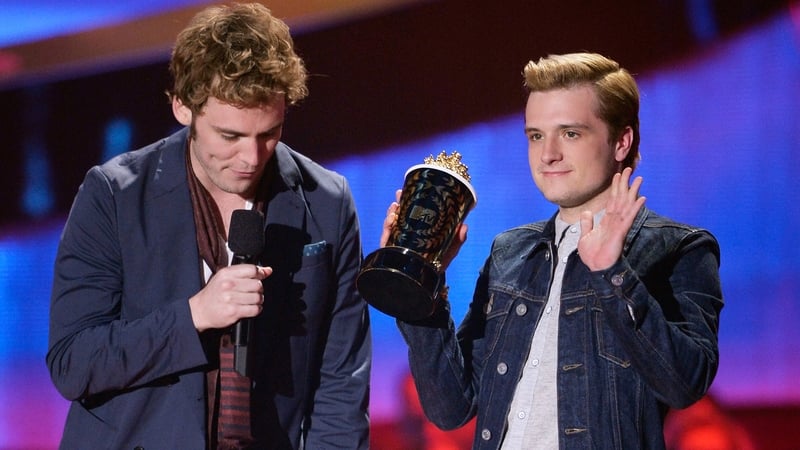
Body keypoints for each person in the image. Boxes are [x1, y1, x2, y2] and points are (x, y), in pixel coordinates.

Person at [46, 3, 370, 449]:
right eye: (231, 136)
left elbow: (342, 383)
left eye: (269, 133)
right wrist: (194, 315)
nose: (251, 158)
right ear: (183, 106)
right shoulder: (115, 197)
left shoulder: (326, 202)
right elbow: (73, 363)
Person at [380, 52, 722, 449]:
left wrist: (613, 273)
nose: (548, 155)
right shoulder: (511, 251)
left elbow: (684, 385)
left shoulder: (679, 247)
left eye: (571, 133)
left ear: (621, 141)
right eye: (536, 135)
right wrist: (422, 279)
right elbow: (450, 409)